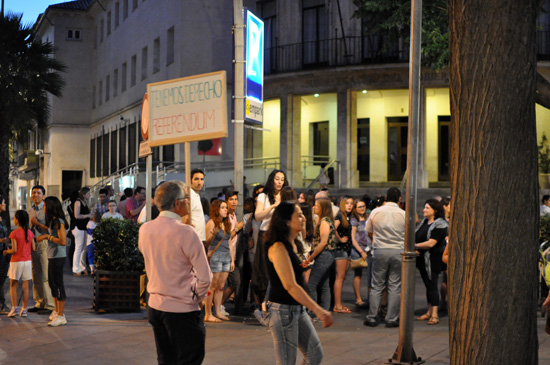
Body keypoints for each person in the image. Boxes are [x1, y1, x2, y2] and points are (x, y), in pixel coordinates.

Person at [139, 181, 212, 364]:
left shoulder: (145, 229)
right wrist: (197, 297)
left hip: (155, 305)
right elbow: (205, 276)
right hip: (181, 308)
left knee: (165, 358)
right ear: (177, 203)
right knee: (189, 359)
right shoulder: (186, 232)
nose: (189, 202)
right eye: (186, 198)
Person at [264, 201, 332, 364]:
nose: (304, 218)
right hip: (283, 311)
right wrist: (319, 310)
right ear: (287, 221)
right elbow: (290, 285)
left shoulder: (293, 242)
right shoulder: (278, 247)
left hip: (297, 309)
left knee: (315, 355)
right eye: (299, 215)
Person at [364, 187, 405, 328]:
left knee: (377, 285)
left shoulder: (376, 212)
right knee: (395, 286)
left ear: (386, 197)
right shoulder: (403, 214)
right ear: (399, 199)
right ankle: (391, 319)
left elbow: (368, 230)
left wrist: (376, 240)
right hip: (398, 250)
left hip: (380, 249)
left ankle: (372, 317)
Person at [252, 169, 288, 307]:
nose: (279, 182)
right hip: (266, 235)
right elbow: (258, 216)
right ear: (272, 179)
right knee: (264, 271)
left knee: (280, 271)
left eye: (282, 179)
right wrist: (273, 206)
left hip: (281, 236)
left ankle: (277, 303)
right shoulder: (263, 196)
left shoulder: (285, 195)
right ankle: (263, 303)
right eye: (277, 179)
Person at [414, 199, 449, 325]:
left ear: (435, 210)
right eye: (424, 207)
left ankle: (435, 314)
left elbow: (431, 243)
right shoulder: (424, 222)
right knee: (428, 286)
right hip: (423, 260)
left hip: (433, 260)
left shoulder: (441, 224)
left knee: (432, 285)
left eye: (427, 208)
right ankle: (429, 311)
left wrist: (415, 246)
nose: (424, 210)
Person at [36, 197, 68, 326]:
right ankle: (56, 311)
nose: (43, 207)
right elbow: (51, 231)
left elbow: (63, 241)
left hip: (58, 256)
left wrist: (46, 236)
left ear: (49, 207)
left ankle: (61, 315)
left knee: (58, 284)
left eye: (44, 205)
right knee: (52, 284)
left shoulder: (59, 221)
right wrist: (41, 229)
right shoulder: (52, 221)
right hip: (51, 255)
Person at [302, 197, 337, 312]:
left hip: (324, 255)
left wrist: (311, 257)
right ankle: (324, 310)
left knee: (311, 284)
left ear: (323, 207)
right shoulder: (324, 220)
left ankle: (312, 311)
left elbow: (322, 243)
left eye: (316, 205)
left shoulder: (324, 221)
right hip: (327, 255)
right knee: (324, 283)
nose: (314, 207)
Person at [204, 200, 235, 322]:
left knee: (221, 286)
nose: (225, 210)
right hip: (215, 255)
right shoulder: (211, 223)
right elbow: (207, 243)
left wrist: (232, 260)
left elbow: (229, 243)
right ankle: (208, 313)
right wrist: (213, 235)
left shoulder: (226, 223)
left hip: (226, 256)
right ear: (216, 210)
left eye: (226, 208)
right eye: (222, 208)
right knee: (212, 286)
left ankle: (217, 312)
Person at [28, 185, 55, 313]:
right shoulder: (31, 210)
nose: (36, 195)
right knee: (36, 275)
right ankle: (39, 302)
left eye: (39, 193)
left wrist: (37, 224)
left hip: (44, 244)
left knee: (45, 275)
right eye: (34, 193)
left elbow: (51, 229)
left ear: (43, 195)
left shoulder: (46, 209)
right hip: (33, 244)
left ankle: (50, 304)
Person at [3, 210, 35, 317]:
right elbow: (33, 248)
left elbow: (14, 250)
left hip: (17, 261)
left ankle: (14, 308)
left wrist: (7, 251)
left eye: (15, 218)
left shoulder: (14, 233)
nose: (13, 219)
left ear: (17, 220)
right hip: (27, 261)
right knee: (25, 287)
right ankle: (24, 309)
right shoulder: (30, 233)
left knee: (13, 285)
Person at [332, 196, 354, 313]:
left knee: (342, 277)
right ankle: (337, 305)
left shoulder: (346, 217)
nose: (350, 205)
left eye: (351, 203)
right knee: (339, 278)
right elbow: (332, 228)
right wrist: (340, 239)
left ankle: (338, 304)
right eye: (347, 203)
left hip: (346, 250)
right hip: (341, 249)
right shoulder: (340, 216)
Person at [350, 198, 372, 308]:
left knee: (370, 276)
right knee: (358, 274)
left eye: (363, 206)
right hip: (358, 250)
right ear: (355, 208)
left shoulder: (368, 218)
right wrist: (361, 251)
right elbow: (353, 239)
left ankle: (370, 299)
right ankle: (358, 299)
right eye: (359, 207)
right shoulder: (354, 220)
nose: (362, 208)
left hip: (369, 249)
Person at [72, 187, 92, 276]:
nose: (89, 195)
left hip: (83, 227)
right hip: (78, 227)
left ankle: (82, 267)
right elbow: (77, 215)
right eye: (88, 193)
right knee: (79, 247)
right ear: (83, 194)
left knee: (84, 248)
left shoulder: (84, 202)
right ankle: (76, 269)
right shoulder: (78, 202)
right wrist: (88, 215)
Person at [0, 194, 11, 314]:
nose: (5, 205)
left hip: (3, 252)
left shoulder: (1, 217)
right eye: (3, 202)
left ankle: (2, 304)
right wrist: (2, 240)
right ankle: (1, 305)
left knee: (2, 279)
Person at [190, 169, 207, 243]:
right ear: (190, 180)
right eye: (196, 179)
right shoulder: (189, 196)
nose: (199, 182)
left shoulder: (196, 195)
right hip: (193, 239)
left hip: (199, 238)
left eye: (202, 179)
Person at [87, 211, 102, 275]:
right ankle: (96, 269)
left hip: (90, 242)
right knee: (96, 256)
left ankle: (92, 270)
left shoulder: (90, 223)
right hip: (97, 242)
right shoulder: (99, 224)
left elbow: (88, 230)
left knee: (90, 256)